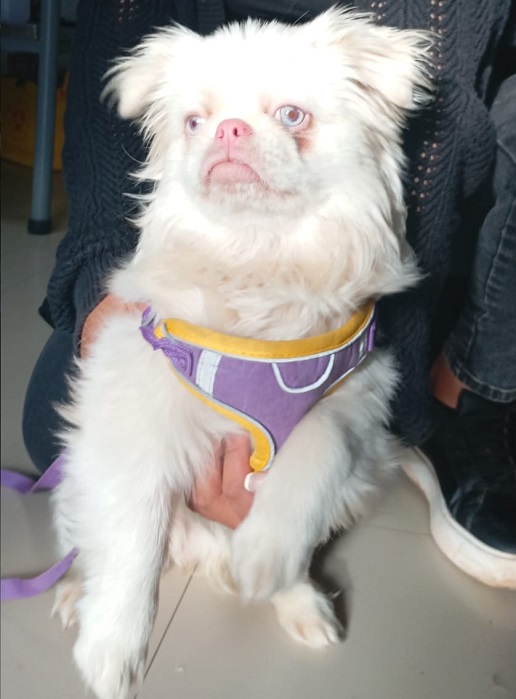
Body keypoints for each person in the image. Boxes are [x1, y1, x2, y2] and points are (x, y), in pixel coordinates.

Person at [22, 0, 514, 580]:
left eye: (290, 116)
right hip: (185, 272)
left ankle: (467, 401)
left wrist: (371, 374)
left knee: (331, 445)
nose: (232, 133)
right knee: (64, 430)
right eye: (201, 120)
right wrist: (112, 315)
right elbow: (107, 131)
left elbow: (446, 118)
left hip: (368, 287)